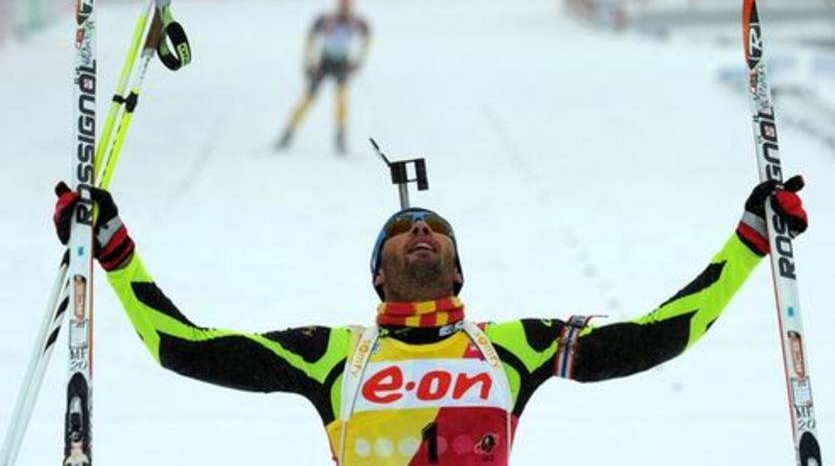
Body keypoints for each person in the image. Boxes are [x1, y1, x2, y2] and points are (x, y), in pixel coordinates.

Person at [52, 176, 809, 465]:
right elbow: (182, 347)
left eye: (436, 229)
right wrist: (112, 248)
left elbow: (656, 335)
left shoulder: (512, 346)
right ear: (378, 273)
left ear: (457, 268)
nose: (420, 230)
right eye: (401, 230)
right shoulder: (333, 354)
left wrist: (748, 241)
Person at [277, 0, 371, 155]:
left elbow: (368, 38)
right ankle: (287, 134)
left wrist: (358, 60)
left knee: (342, 100)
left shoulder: (356, 22)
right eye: (342, 6)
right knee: (308, 99)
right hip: (324, 62)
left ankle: (340, 139)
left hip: (342, 64)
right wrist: (310, 61)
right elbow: (310, 37)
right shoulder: (327, 20)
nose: (344, 10)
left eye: (347, 6)